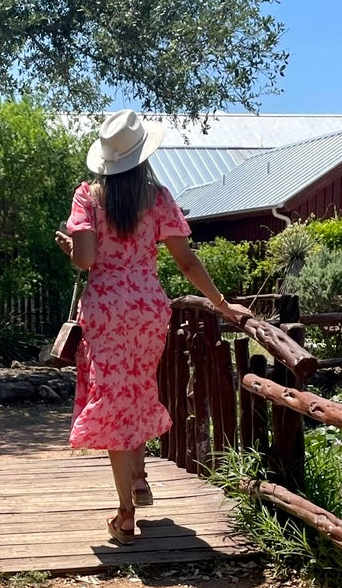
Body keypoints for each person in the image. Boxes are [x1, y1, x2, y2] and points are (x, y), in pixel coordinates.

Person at [55, 109, 235, 545]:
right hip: (149, 308)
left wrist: (69, 246)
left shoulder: (88, 196)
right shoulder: (159, 199)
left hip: (105, 311)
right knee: (137, 389)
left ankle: (125, 515)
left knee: (114, 398)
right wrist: (222, 303)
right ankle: (137, 476)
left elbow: (85, 261)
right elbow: (187, 262)